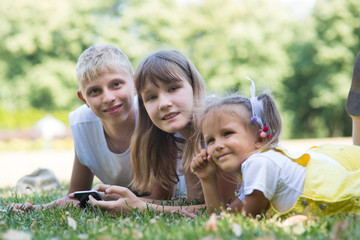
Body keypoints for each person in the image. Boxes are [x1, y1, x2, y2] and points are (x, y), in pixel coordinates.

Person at [191, 54, 360, 217]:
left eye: (227, 134)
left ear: (259, 138)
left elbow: (240, 219)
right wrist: (207, 178)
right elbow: (222, 217)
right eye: (210, 140)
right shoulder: (255, 166)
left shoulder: (259, 164)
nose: (218, 145)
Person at [11, 44, 172, 212]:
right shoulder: (82, 124)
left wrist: (112, 199)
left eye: (116, 84)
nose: (108, 97)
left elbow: (162, 199)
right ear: (83, 98)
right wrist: (38, 208)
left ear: (134, 83)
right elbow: (76, 196)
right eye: (95, 91)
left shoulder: (152, 114)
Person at [88, 50, 238, 214]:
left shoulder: (218, 133)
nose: (163, 104)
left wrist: (139, 207)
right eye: (151, 97)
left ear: (194, 87)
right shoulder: (173, 137)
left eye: (173, 88)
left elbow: (224, 210)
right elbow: (182, 202)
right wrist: (122, 200)